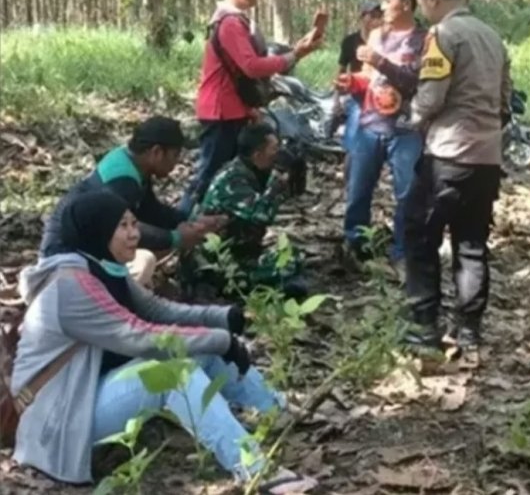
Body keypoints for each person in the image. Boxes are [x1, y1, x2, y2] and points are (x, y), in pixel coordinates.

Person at [12, 190, 316, 493]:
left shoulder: (100, 265)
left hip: (86, 394)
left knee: (205, 352)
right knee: (175, 374)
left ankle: (276, 413)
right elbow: (139, 336)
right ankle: (256, 471)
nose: (135, 234)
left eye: (134, 224)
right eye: (123, 227)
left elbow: (156, 309)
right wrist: (220, 339)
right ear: (98, 230)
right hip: (57, 422)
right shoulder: (71, 286)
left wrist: (220, 319)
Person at [403, 0, 510, 350]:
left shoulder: (443, 34)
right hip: (486, 157)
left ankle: (425, 323)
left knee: (419, 234)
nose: (423, 11)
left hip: (447, 154)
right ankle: (469, 329)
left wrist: (410, 118)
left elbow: (431, 97)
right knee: (471, 243)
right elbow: (504, 98)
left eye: (422, 3)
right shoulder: (492, 37)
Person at [180, 0, 321, 215]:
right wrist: (294, 56)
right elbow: (251, 66)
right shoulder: (230, 22)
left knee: (233, 171)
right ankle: (181, 228)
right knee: (210, 173)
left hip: (234, 108)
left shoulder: (237, 20)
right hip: (220, 110)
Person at [39, 116, 223, 287]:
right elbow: (124, 230)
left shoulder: (133, 164)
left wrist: (189, 222)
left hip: (86, 249)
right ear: (157, 152)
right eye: (175, 156)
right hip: (66, 259)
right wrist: (177, 238)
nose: (176, 164)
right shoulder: (122, 179)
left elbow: (150, 210)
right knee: (146, 259)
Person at [336, 0, 426, 267]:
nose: (382, 7)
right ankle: (355, 246)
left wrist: (379, 61)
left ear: (407, 4)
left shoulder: (424, 39)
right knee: (358, 189)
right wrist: (351, 82)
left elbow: (415, 82)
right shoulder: (376, 35)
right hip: (370, 123)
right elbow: (369, 79)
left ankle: (403, 252)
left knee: (408, 193)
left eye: (388, 1)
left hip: (406, 128)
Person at [183, 123, 306, 299]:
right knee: (289, 266)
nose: (278, 154)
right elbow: (263, 215)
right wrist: (278, 177)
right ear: (257, 155)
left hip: (241, 252)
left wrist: (295, 170)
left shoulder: (253, 170)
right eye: (274, 150)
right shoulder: (233, 179)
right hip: (215, 261)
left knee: (293, 256)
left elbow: (294, 194)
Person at [335, 1, 384, 176]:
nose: (376, 20)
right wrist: (336, 100)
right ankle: (351, 182)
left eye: (379, 16)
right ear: (362, 17)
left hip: (379, 96)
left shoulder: (385, 41)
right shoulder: (350, 42)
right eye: (372, 16)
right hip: (356, 95)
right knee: (353, 141)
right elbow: (341, 69)